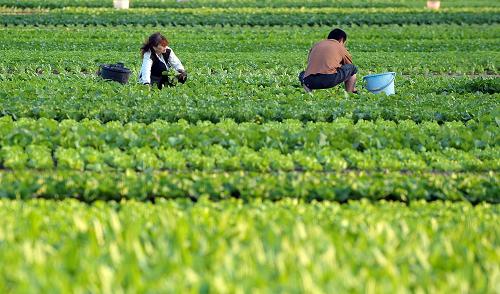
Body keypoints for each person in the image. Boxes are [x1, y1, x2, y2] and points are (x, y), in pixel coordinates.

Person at [299, 28, 357, 93]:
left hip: (310, 81)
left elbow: (310, 63)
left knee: (302, 74)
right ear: (341, 40)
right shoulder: (340, 46)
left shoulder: (316, 45)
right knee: (352, 68)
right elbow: (348, 65)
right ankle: (350, 93)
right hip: (329, 79)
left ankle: (309, 94)